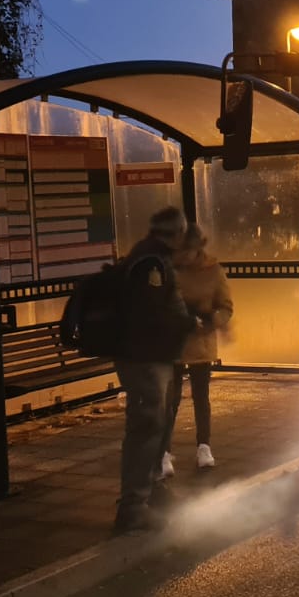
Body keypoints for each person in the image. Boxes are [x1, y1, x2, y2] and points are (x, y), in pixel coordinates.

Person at [112, 206, 197, 534]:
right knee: (146, 427)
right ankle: (133, 507)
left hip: (146, 356)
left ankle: (148, 494)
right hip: (144, 359)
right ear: (176, 233)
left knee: (154, 424)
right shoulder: (151, 263)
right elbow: (155, 314)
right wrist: (191, 322)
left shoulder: (147, 257)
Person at [158, 222, 234, 475]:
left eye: (186, 250)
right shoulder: (167, 270)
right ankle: (164, 452)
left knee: (201, 398)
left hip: (201, 342)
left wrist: (212, 320)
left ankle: (204, 447)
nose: (181, 256)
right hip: (173, 342)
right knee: (171, 399)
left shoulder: (213, 271)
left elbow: (226, 306)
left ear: (196, 249)